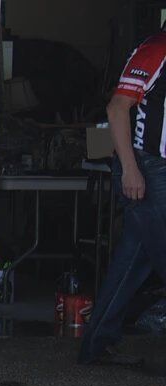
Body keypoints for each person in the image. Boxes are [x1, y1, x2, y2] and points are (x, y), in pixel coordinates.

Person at [78, 29, 166, 366]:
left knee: (133, 261)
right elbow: (117, 109)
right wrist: (130, 168)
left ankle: (95, 343)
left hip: (155, 169)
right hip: (148, 168)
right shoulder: (156, 50)